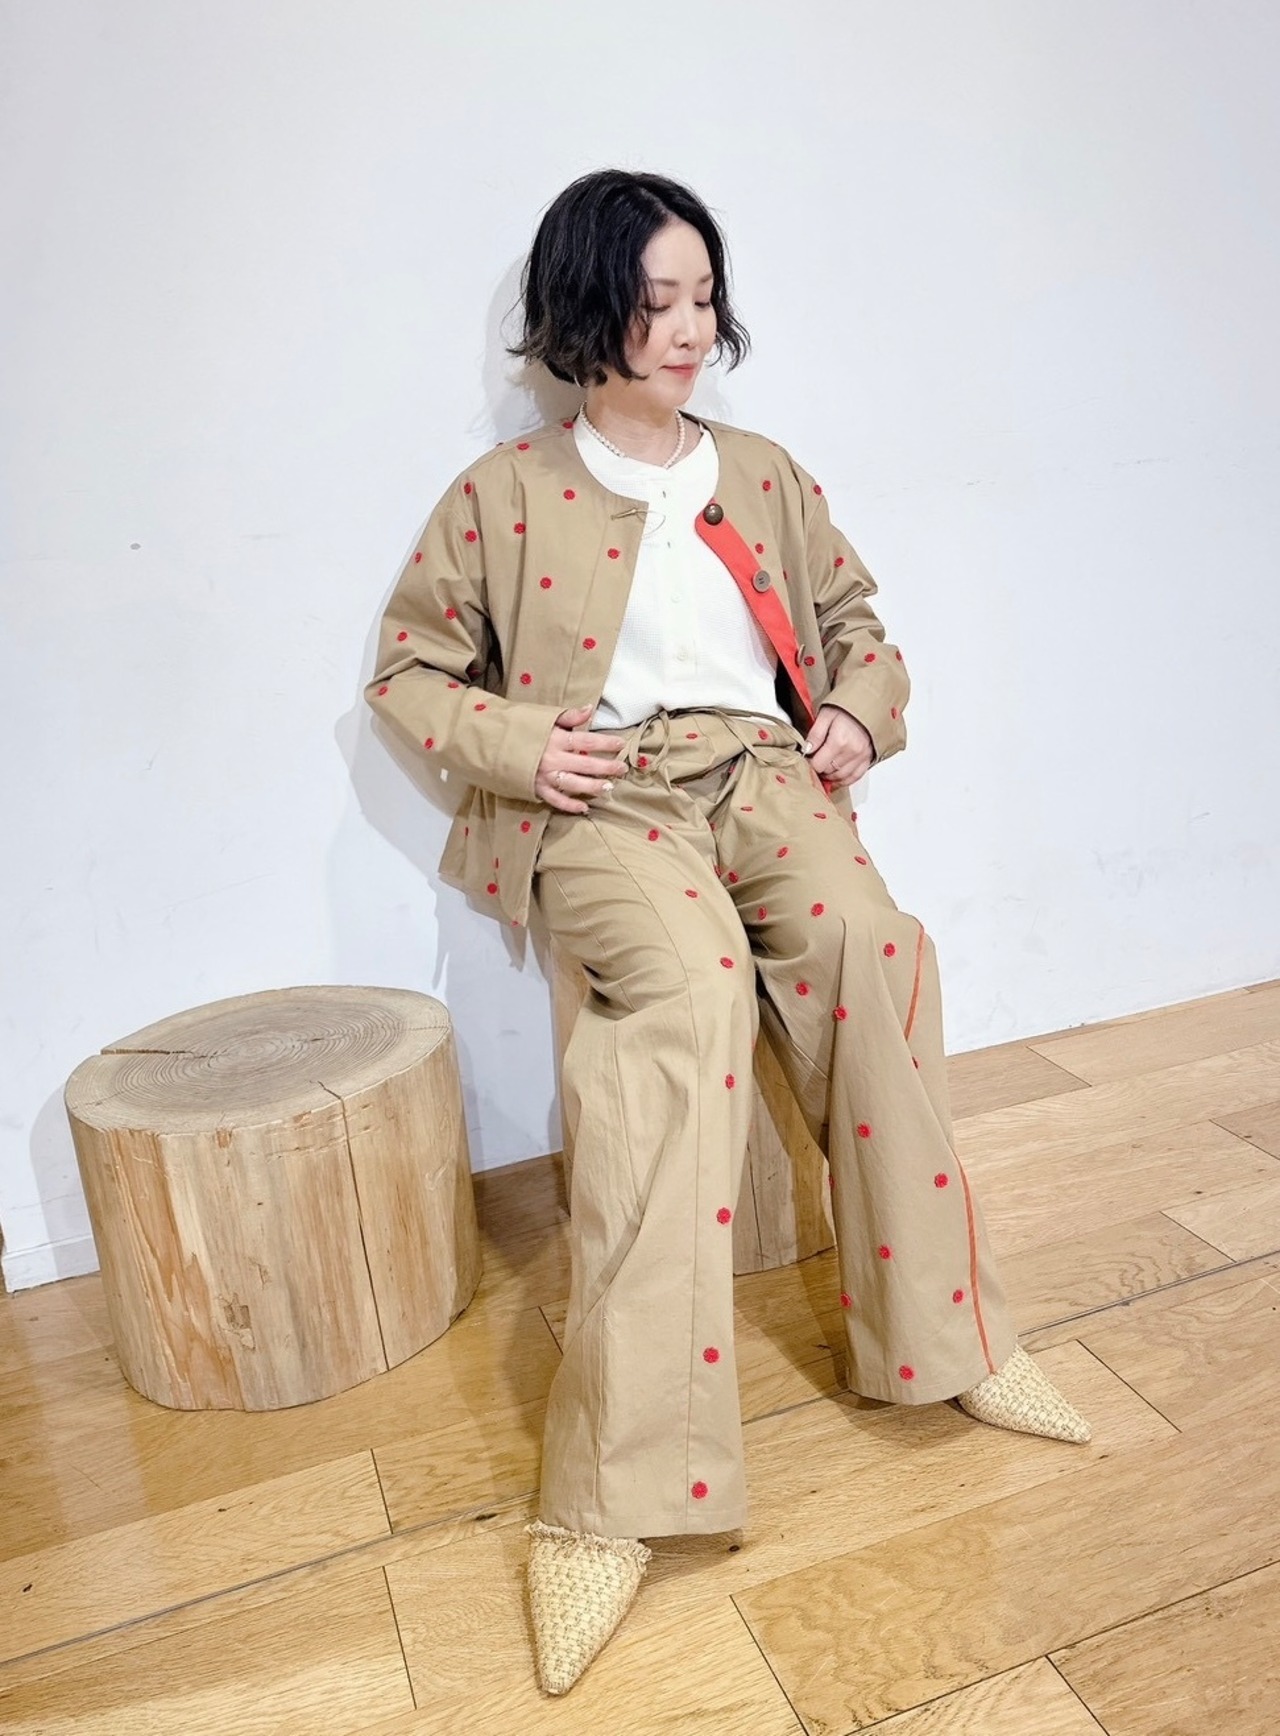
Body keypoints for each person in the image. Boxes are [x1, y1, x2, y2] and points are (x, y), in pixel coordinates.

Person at [365, 169, 1091, 1697]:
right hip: (607, 798)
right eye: (657, 301)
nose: (690, 328)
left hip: (762, 774)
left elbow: (862, 626)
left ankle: (948, 1339)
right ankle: (613, 1493)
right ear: (587, 313)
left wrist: (857, 712)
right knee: (687, 999)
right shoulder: (502, 495)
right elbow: (409, 675)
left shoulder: (761, 473)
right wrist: (522, 748)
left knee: (874, 946)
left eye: (704, 296)